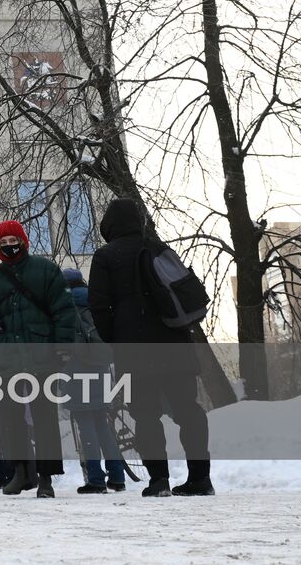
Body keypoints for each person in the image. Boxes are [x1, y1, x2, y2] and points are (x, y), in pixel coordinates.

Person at [87, 199, 213, 497]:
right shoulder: (157, 248)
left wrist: (114, 340)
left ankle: (159, 481)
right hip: (175, 346)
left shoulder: (105, 256)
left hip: (134, 351)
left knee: (145, 415)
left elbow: (99, 306)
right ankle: (200, 478)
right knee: (188, 411)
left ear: (109, 225)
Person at [0, 220, 77, 499]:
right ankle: (20, 471)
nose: (9, 246)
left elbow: (63, 310)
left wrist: (63, 348)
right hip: (7, 358)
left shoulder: (45, 270)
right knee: (11, 418)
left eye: (13, 241)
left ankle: (46, 477)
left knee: (43, 417)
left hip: (41, 355)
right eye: (3, 243)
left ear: (23, 241)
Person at [62, 268, 127, 495]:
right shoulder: (95, 301)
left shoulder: (65, 305)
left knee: (85, 424)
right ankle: (117, 476)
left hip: (76, 370)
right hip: (100, 368)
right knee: (102, 423)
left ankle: (96, 479)